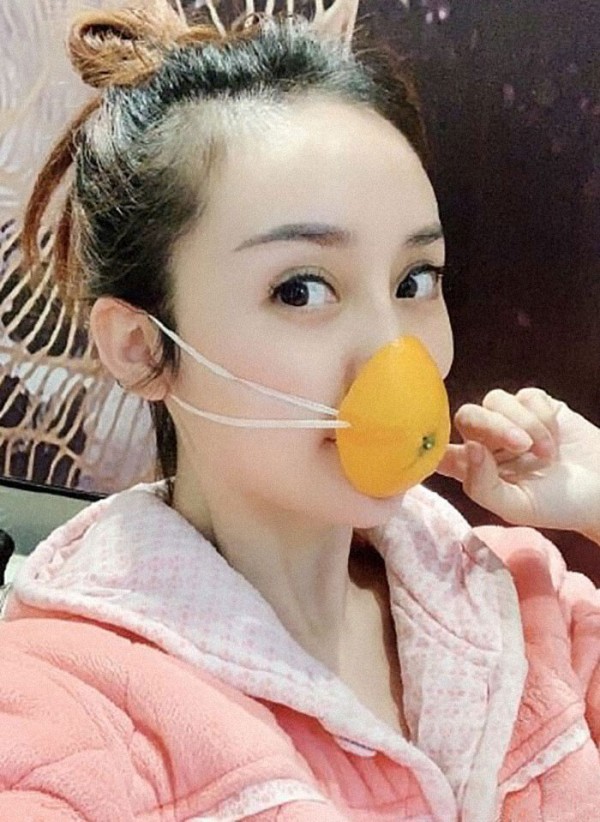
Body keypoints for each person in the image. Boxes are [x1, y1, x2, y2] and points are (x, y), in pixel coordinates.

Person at [1, 0, 598, 819]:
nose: (394, 350)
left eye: (415, 280)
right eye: (302, 289)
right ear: (142, 348)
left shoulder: (526, 603)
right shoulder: (67, 711)